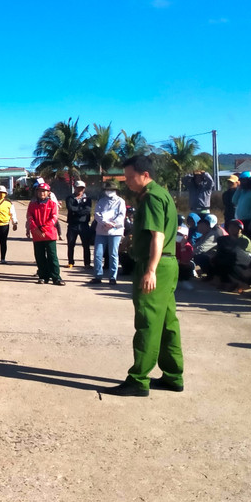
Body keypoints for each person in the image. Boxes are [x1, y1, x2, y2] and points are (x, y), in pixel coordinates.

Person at [101, 155, 182, 397]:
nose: (127, 182)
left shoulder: (151, 197)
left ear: (145, 175)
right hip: (169, 264)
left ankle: (138, 379)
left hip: (156, 264)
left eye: (129, 176)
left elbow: (157, 236)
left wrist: (150, 270)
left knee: (147, 322)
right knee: (167, 323)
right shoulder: (162, 194)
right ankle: (173, 375)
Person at [26, 182, 64, 286]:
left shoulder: (52, 204)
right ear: (36, 192)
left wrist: (44, 229)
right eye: (40, 191)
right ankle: (43, 276)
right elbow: (30, 217)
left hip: (49, 234)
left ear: (48, 193)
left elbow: (54, 217)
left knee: (52, 256)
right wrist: (36, 229)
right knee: (40, 256)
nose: (42, 193)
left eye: (44, 191)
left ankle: (56, 277)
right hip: (37, 235)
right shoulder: (33, 204)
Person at [91, 180, 126, 285]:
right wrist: (104, 223)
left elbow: (121, 215)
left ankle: (112, 277)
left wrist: (113, 223)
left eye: (111, 189)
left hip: (115, 232)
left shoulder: (120, 201)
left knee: (113, 254)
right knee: (98, 254)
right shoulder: (101, 201)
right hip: (101, 231)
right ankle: (98, 275)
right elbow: (97, 214)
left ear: (115, 190)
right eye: (107, 189)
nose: (109, 191)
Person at [65, 180, 92, 269]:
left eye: (82, 188)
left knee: (86, 245)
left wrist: (77, 211)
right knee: (71, 244)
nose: (80, 190)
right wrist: (81, 210)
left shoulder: (88, 199)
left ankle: (87, 263)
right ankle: (71, 262)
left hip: (84, 224)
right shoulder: (69, 198)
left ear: (84, 189)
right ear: (74, 188)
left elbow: (88, 210)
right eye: (78, 188)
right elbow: (70, 208)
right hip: (73, 225)